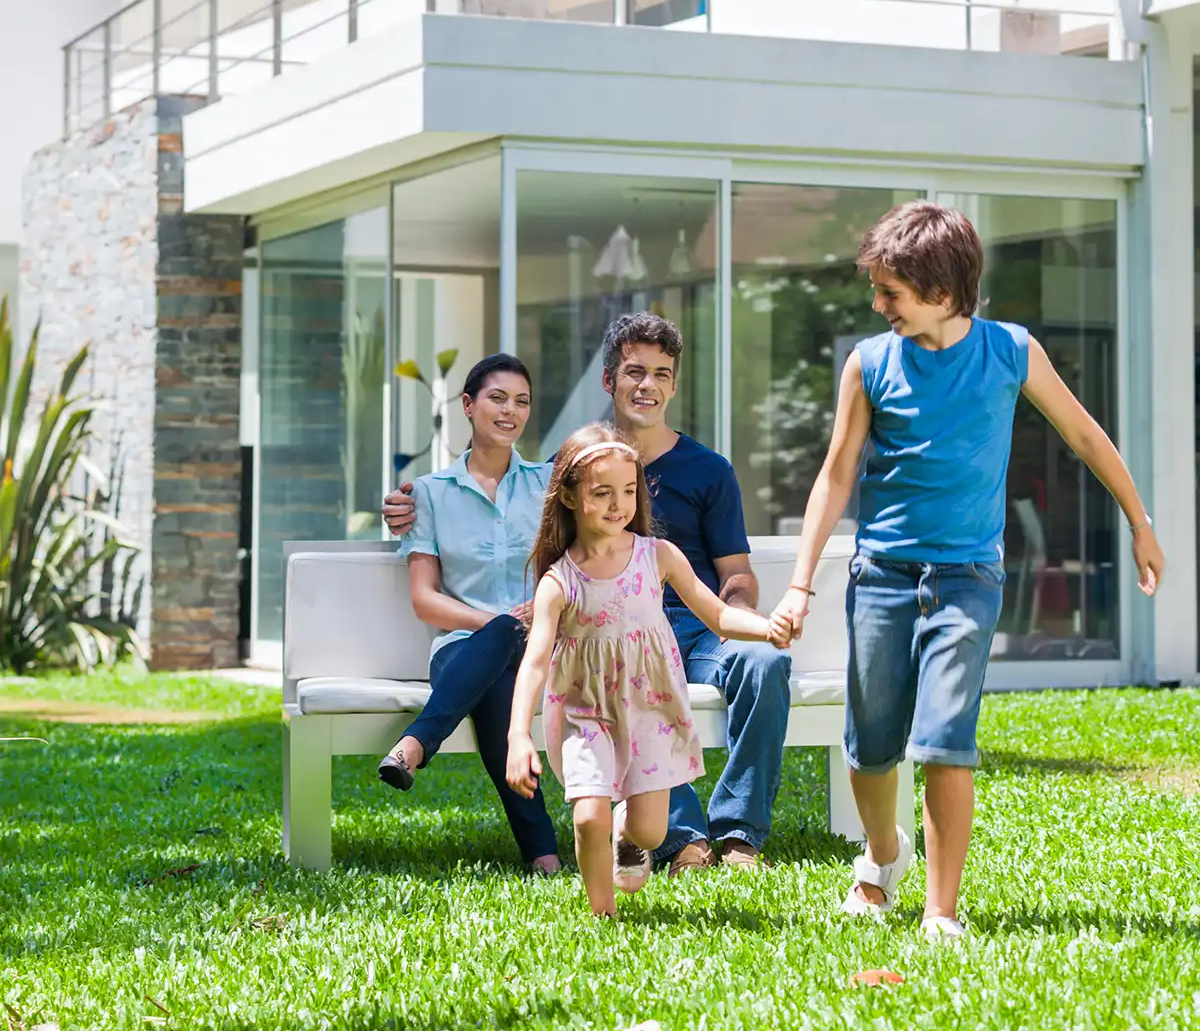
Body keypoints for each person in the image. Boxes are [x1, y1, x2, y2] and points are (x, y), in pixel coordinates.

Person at [770, 202, 1165, 940]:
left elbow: (1082, 433)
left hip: (967, 577)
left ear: (944, 292)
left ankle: (940, 912)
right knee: (871, 743)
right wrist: (799, 583)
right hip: (883, 572)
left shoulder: (1010, 352)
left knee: (946, 736)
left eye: (892, 292)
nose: (879, 305)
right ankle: (882, 855)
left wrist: (1140, 524)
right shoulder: (870, 363)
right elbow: (835, 474)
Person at [385, 313, 794, 875]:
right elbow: (503, 501)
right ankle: (682, 839)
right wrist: (409, 504)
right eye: (634, 372)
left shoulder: (709, 471)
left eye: (660, 374)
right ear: (609, 382)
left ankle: (741, 835)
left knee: (764, 663)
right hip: (607, 628)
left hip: (697, 625)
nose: (646, 385)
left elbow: (735, 574)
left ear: (673, 385)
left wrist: (742, 614)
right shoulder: (569, 468)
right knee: (627, 677)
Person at [506, 425, 787, 917]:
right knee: (588, 814)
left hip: (649, 708)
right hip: (585, 710)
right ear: (569, 497)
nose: (619, 504)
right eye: (602, 493)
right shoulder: (560, 581)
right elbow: (534, 662)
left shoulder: (656, 557)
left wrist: (767, 628)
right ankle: (603, 914)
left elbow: (717, 615)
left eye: (629, 491)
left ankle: (626, 831)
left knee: (651, 831)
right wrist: (517, 736)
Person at [376, 353, 562, 876]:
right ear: (468, 405)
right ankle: (544, 857)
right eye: (498, 398)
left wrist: (535, 616)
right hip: (461, 650)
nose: (511, 411)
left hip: (542, 646)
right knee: (498, 682)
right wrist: (502, 625)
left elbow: (576, 563)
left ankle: (415, 744)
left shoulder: (549, 485)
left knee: (503, 665)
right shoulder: (429, 494)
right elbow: (424, 599)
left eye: (521, 402)